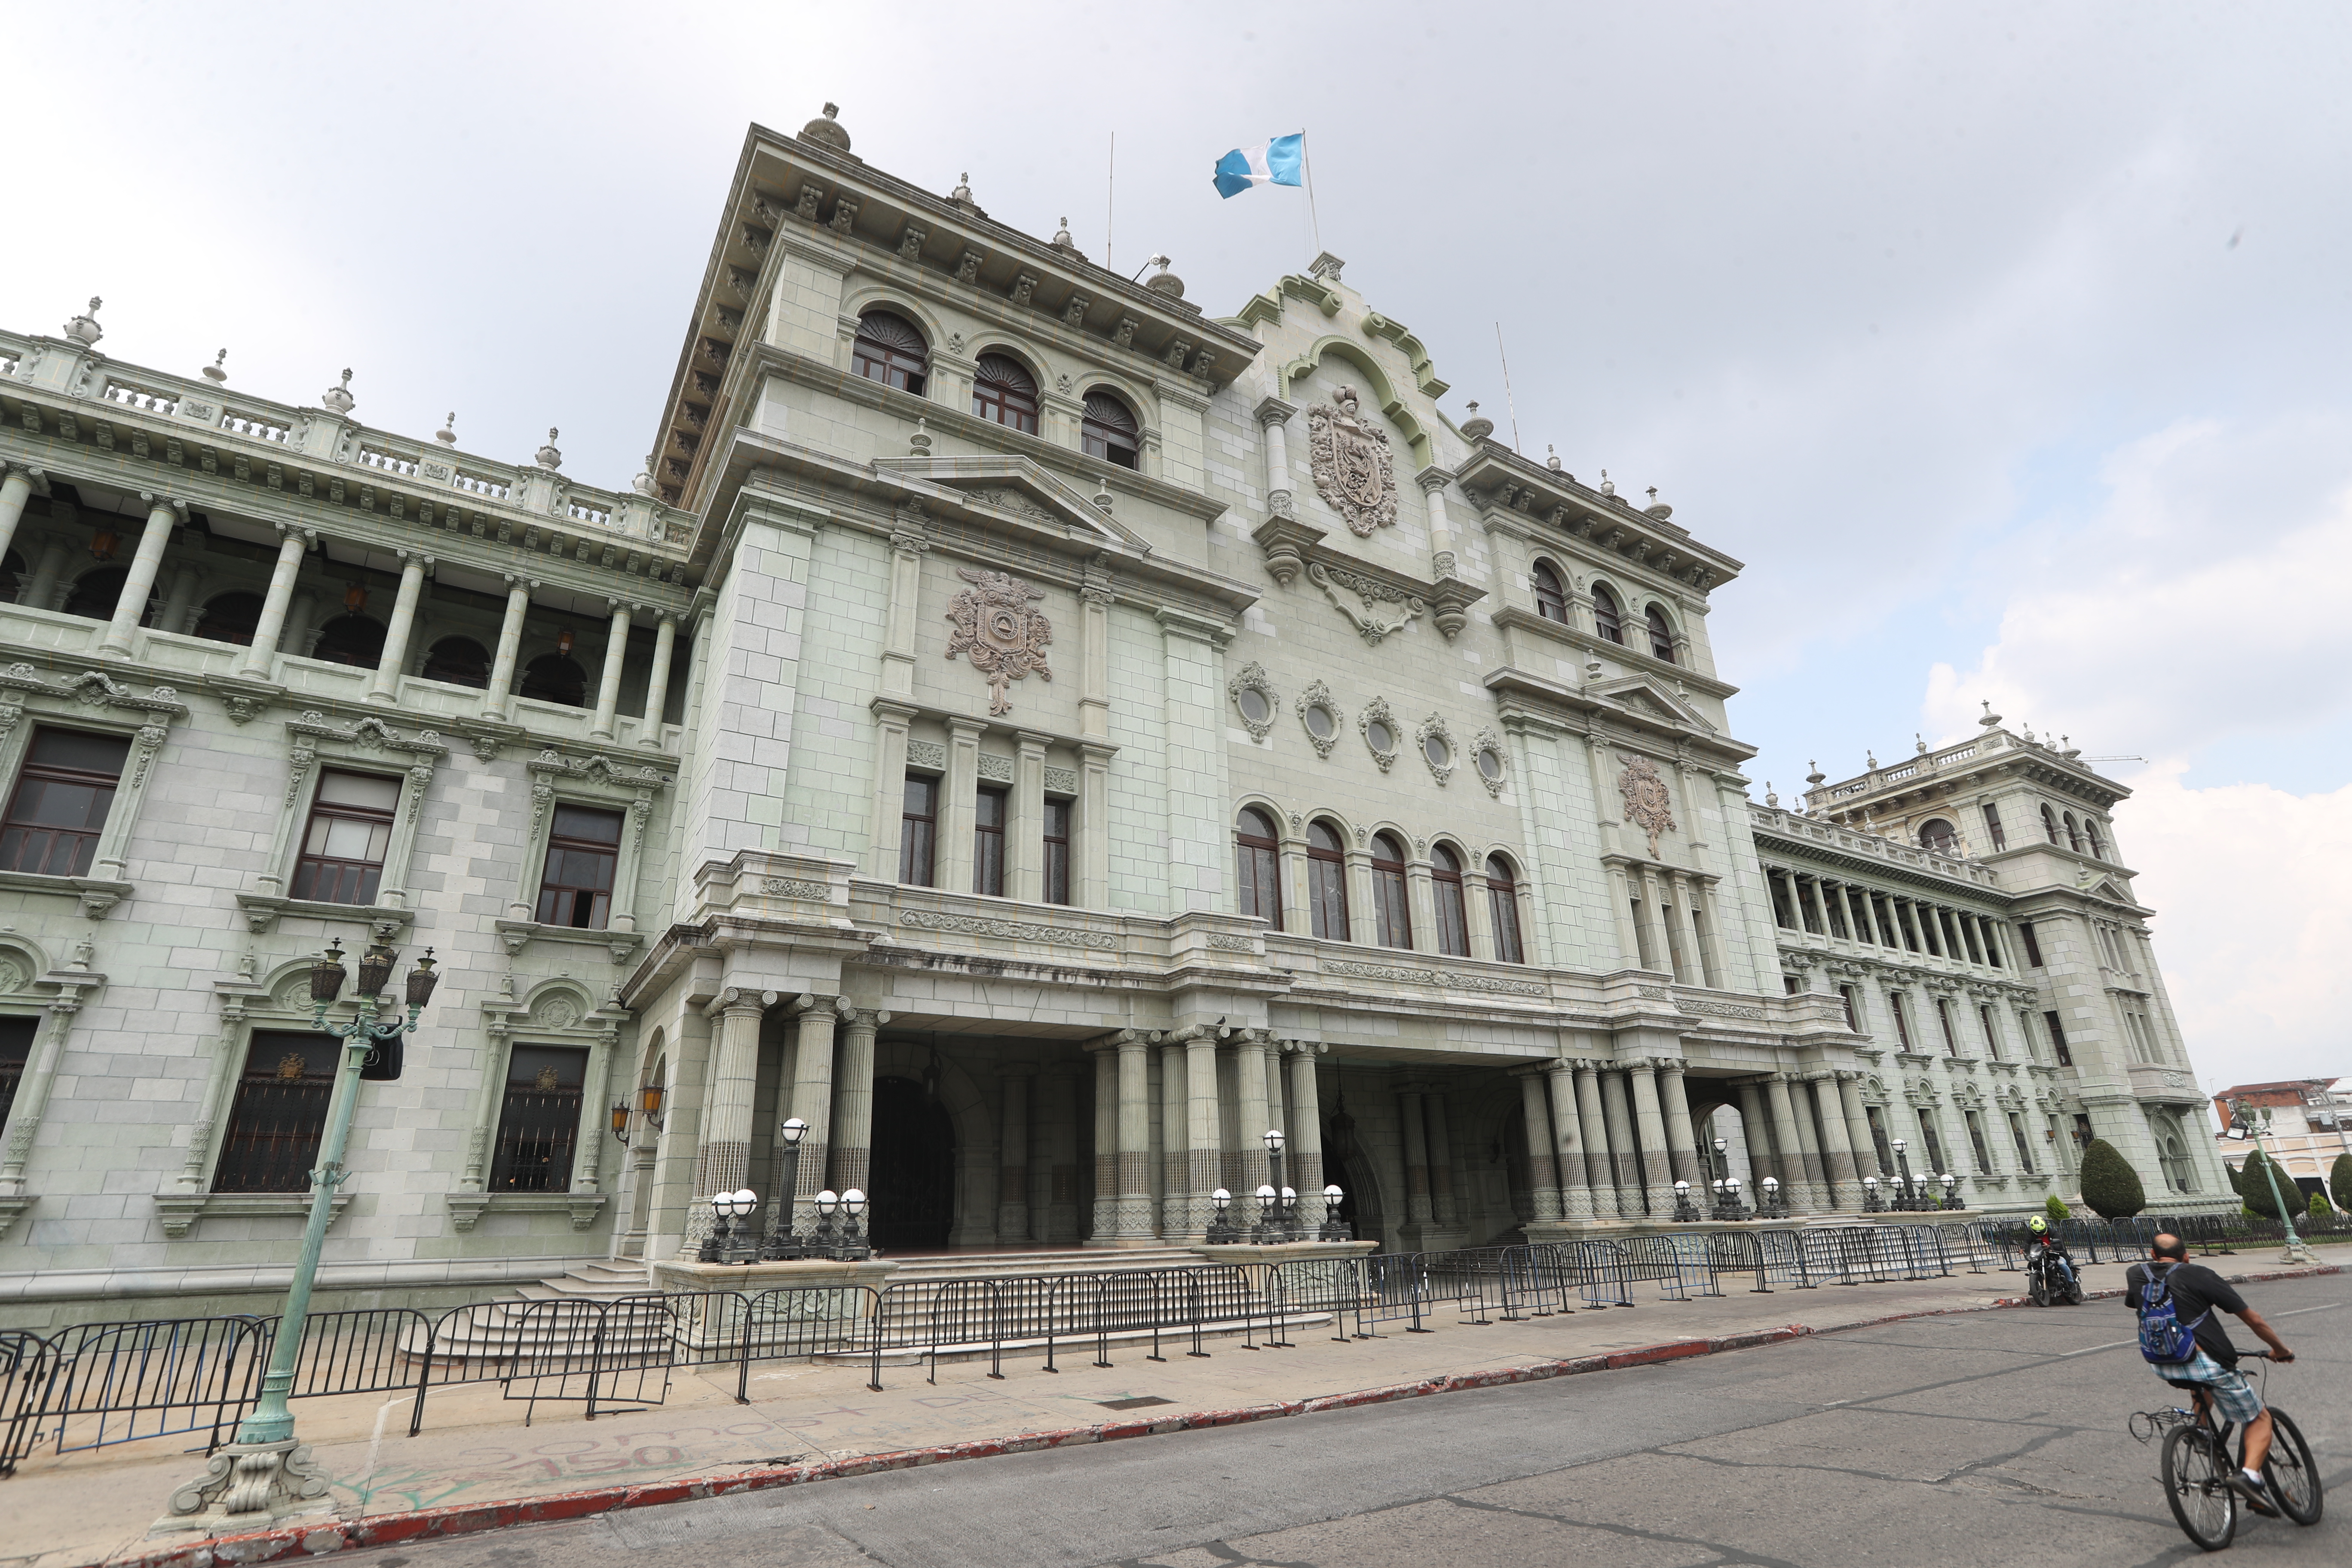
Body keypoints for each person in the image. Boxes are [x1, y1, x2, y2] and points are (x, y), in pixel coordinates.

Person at [2126, 1232, 2295, 1515]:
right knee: (2259, 1417)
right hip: (2205, 1360)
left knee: (2200, 1381)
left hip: (2162, 1362)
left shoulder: (2136, 1274)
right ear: (2186, 1257)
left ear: (2153, 1255)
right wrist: (2280, 1350)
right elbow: (2253, 1320)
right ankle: (2249, 1477)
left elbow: (2139, 1304)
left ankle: (2202, 1432)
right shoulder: (2199, 1274)